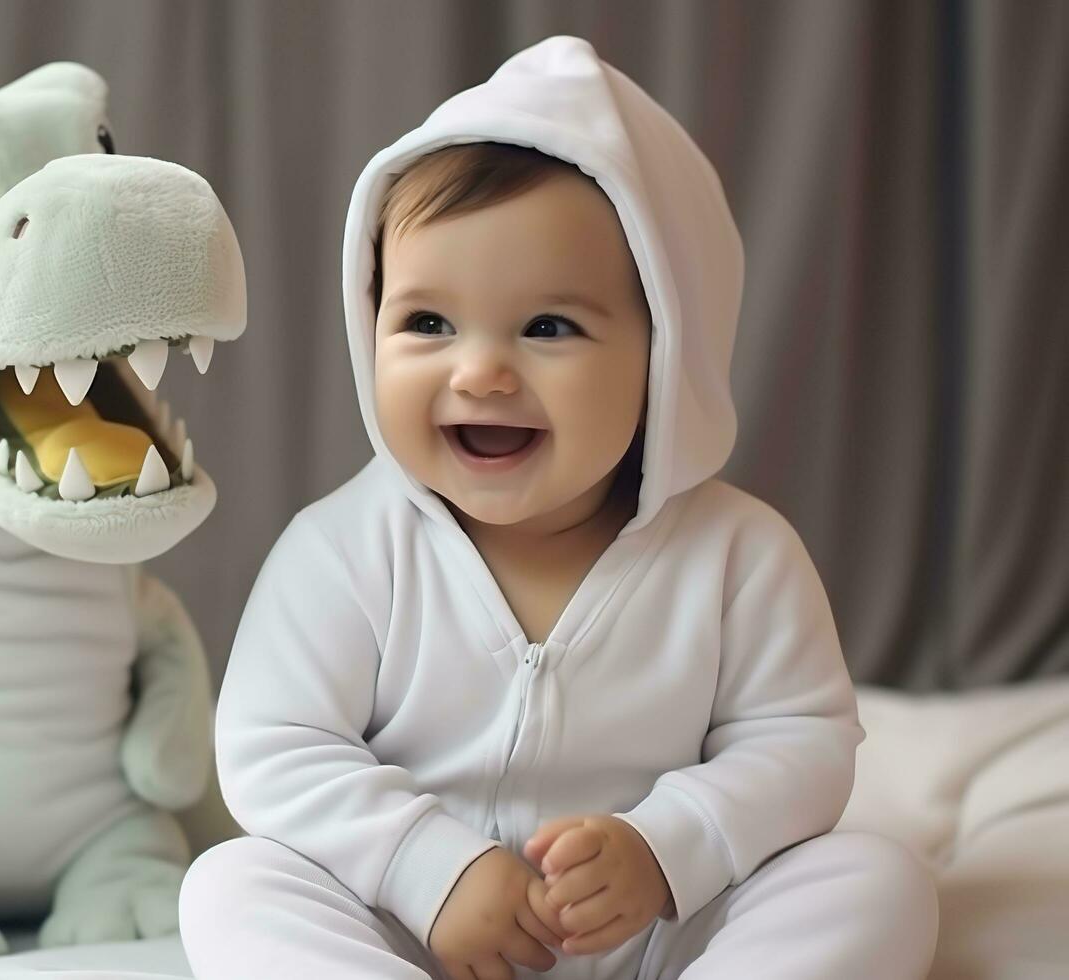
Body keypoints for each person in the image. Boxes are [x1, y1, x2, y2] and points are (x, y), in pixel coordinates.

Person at [179, 35, 939, 980]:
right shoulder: (343, 550)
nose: (481, 370)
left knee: (875, 880)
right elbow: (272, 745)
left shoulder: (738, 556)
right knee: (233, 882)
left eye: (549, 327)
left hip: (654, 932)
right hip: (421, 936)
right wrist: (429, 868)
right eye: (427, 322)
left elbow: (803, 745)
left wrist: (667, 849)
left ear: (667, 349)